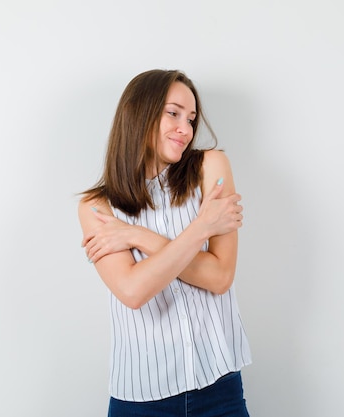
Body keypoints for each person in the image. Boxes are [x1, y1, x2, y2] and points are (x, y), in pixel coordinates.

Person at [78, 69, 252, 417]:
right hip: (140, 400)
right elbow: (133, 290)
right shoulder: (97, 207)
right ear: (139, 112)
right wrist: (201, 227)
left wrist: (136, 235)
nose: (185, 129)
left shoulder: (211, 167)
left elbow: (220, 277)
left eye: (190, 118)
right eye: (173, 113)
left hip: (219, 388)